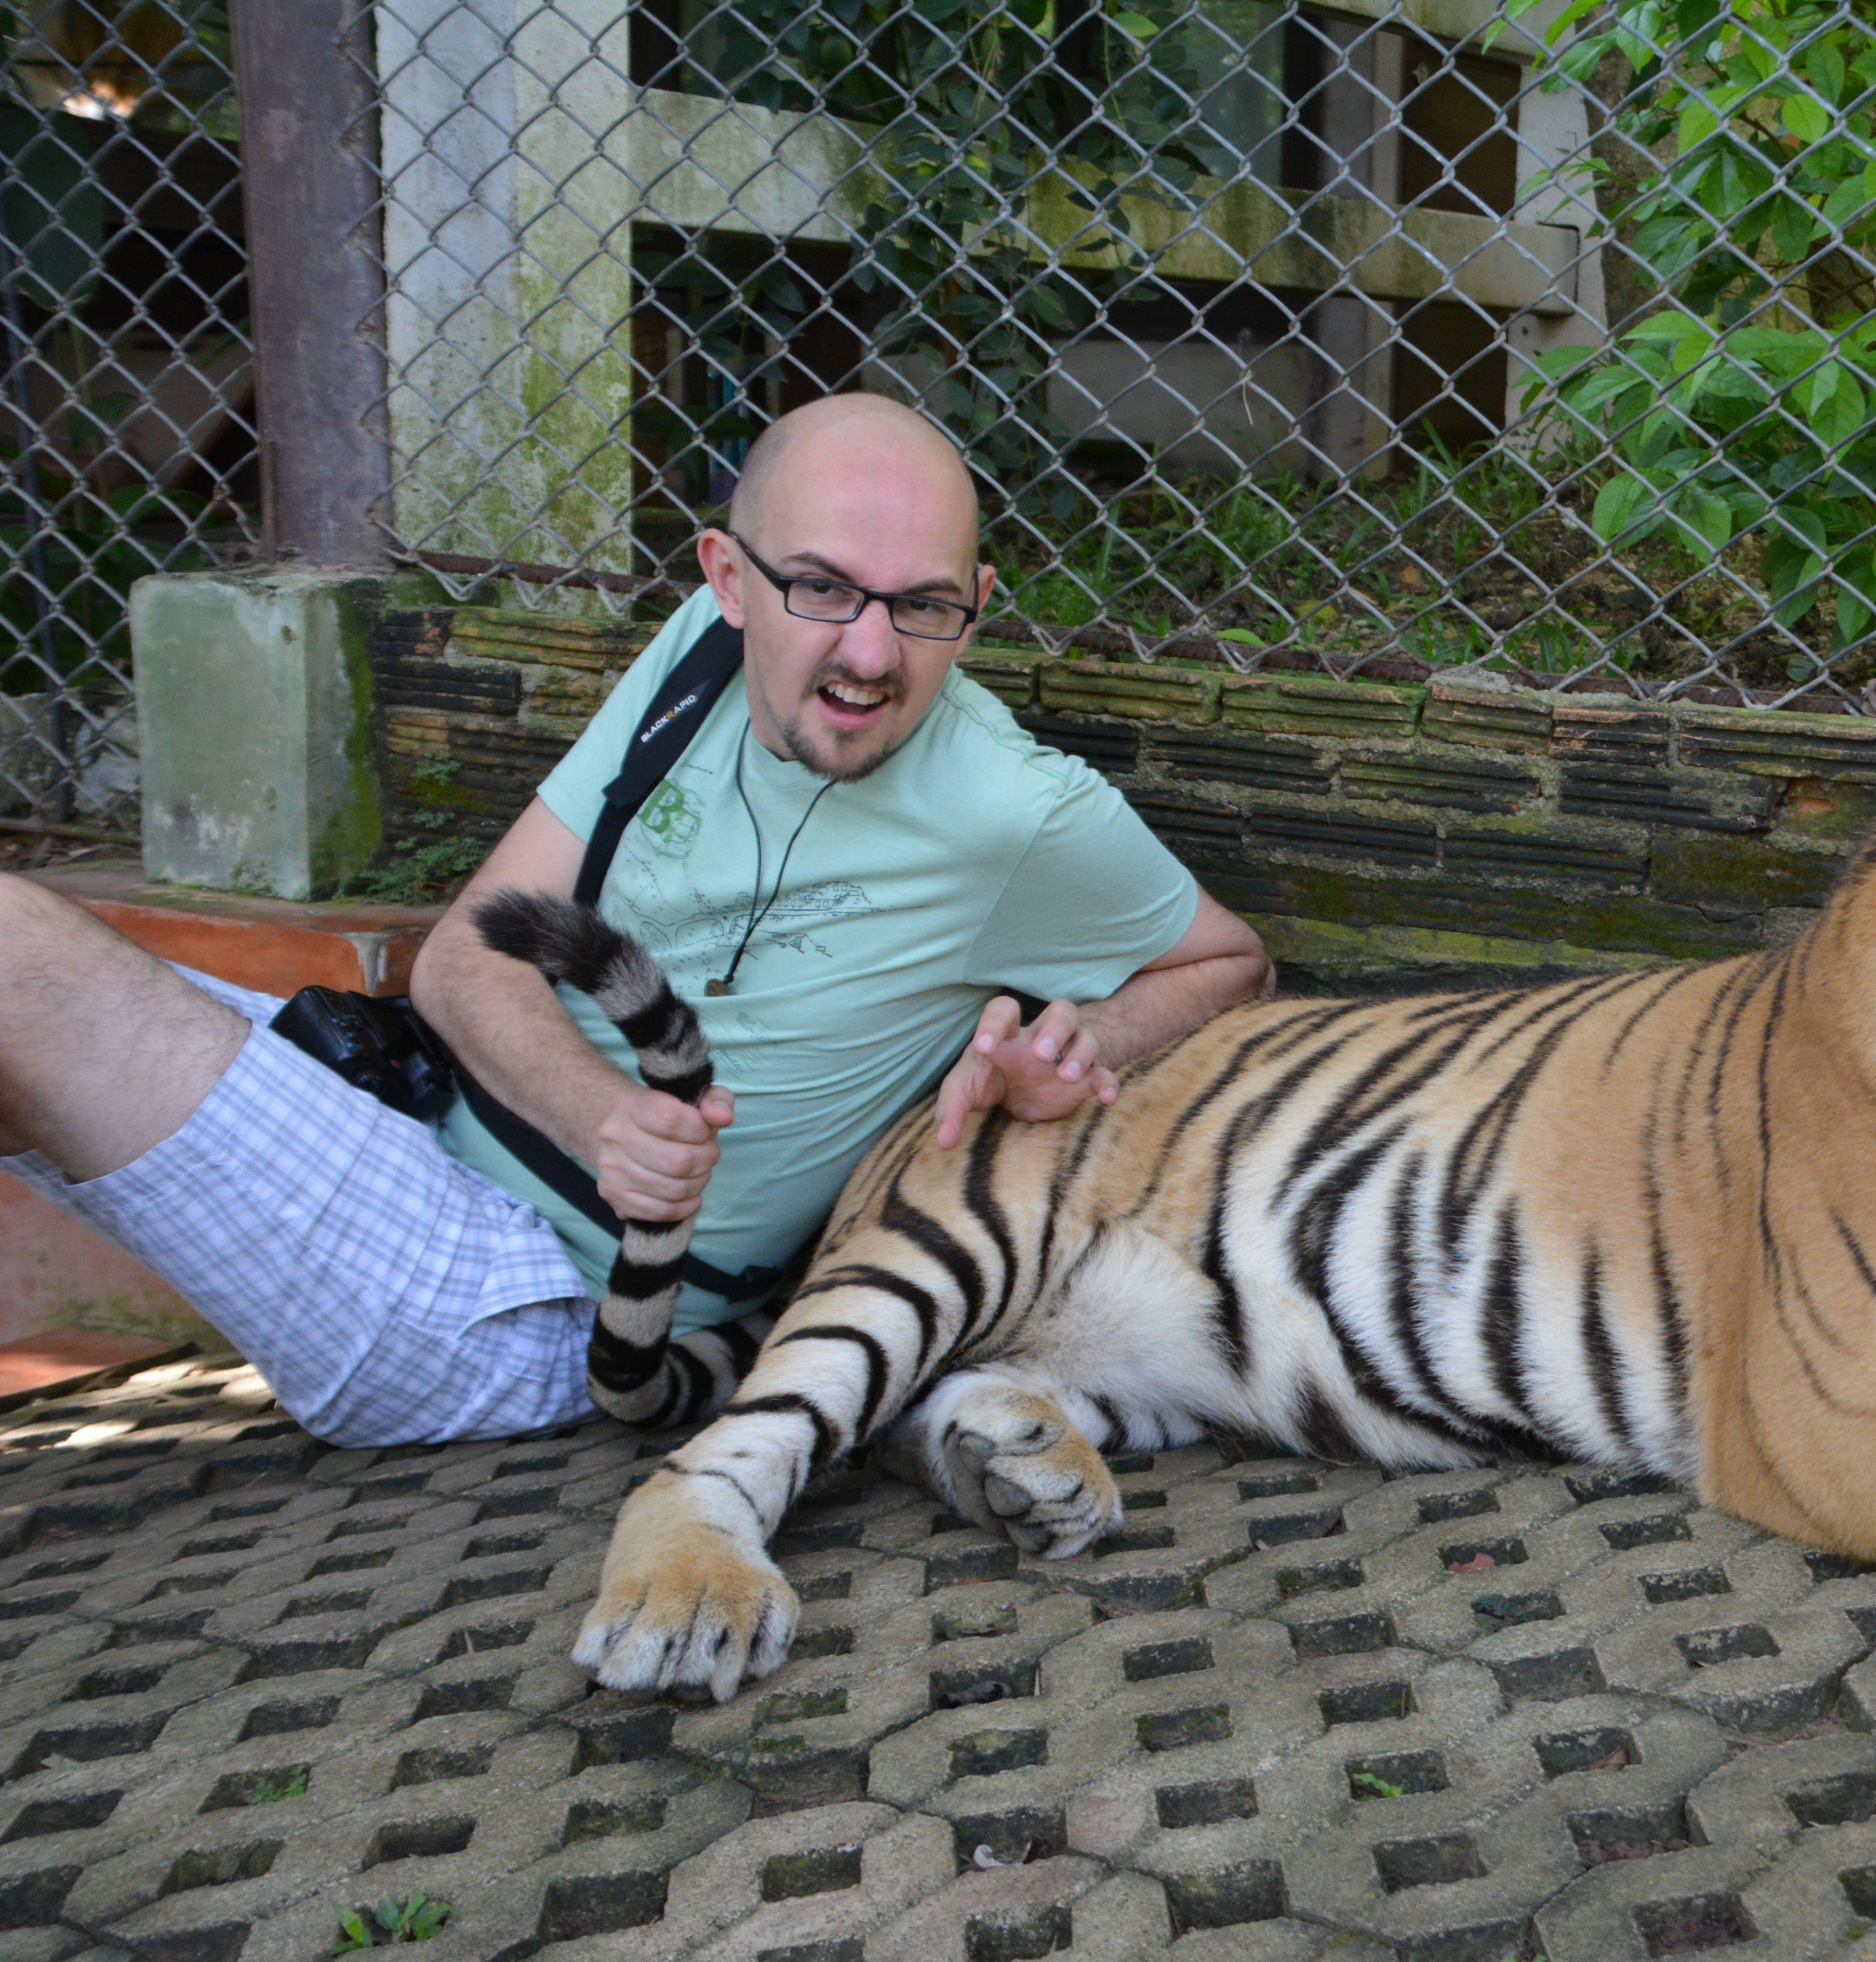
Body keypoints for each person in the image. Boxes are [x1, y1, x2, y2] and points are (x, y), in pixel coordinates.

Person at [0, 393, 1273, 1446]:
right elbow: (463, 958)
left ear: (976, 604)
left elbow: (1230, 960)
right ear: (727, 578)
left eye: (925, 606)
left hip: (525, 1305)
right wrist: (606, 1118)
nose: (874, 655)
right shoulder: (694, 661)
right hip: (401, 1113)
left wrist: (1080, 1044)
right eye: (823, 589)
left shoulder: (1017, 809)